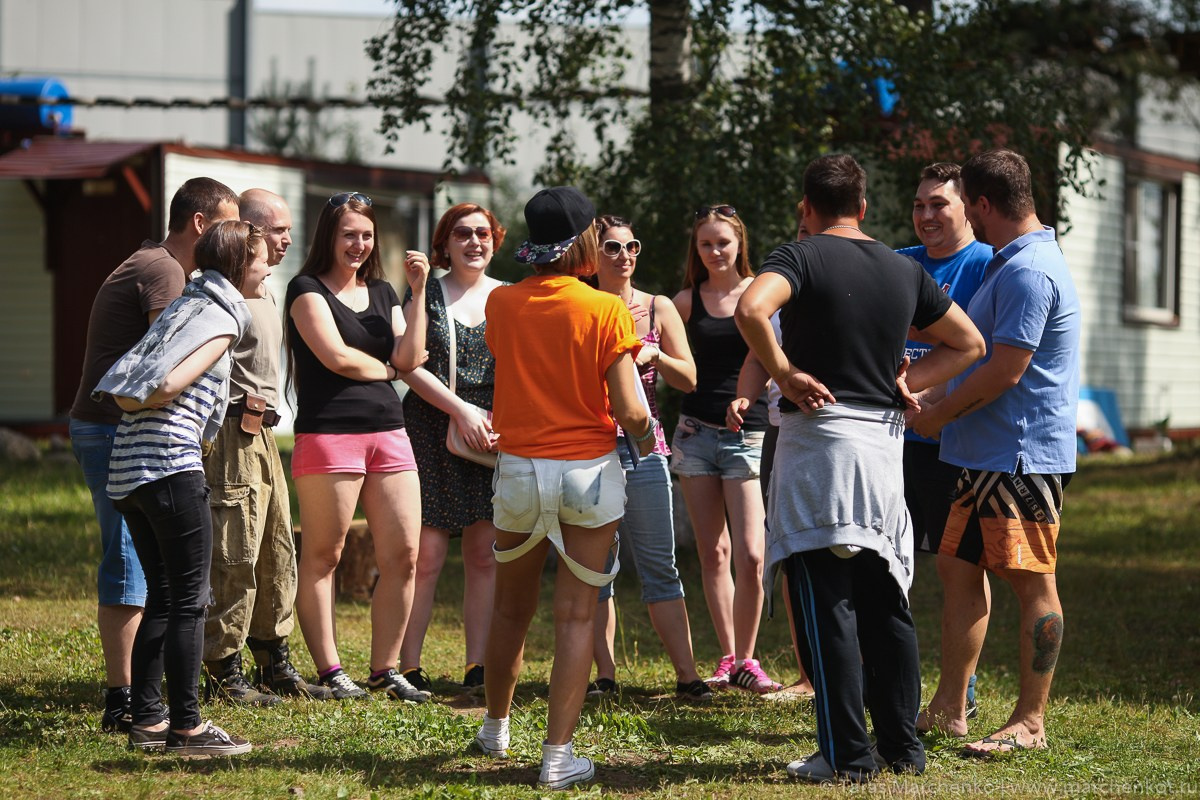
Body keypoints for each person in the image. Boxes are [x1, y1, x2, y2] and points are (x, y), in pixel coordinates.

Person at [735, 153, 984, 782]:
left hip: (821, 446)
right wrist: (912, 379)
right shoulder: (902, 268)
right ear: (865, 207)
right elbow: (970, 343)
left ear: (807, 209)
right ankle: (903, 747)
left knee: (825, 601)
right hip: (883, 449)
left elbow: (750, 309)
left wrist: (786, 372)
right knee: (885, 600)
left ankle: (845, 756)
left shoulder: (800, 256)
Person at [473, 187, 655, 790]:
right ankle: (557, 757)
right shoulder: (605, 309)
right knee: (577, 617)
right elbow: (630, 409)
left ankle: (495, 728)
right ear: (583, 242)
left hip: (520, 468)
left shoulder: (501, 302)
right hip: (587, 470)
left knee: (508, 606)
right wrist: (648, 433)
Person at [911, 149, 1081, 757]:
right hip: (980, 454)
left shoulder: (1029, 269)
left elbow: (1006, 371)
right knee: (958, 572)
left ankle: (1030, 723)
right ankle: (951, 708)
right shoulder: (1009, 264)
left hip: (1019, 456)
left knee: (1032, 582)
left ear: (982, 205)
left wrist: (935, 415)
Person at [68, 177, 239, 734]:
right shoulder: (169, 273)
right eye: (229, 225)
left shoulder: (157, 265)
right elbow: (168, 365)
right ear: (201, 225)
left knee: (151, 576)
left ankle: (141, 704)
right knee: (133, 567)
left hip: (122, 428)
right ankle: (125, 702)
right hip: (124, 432)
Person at [95, 219, 271, 756]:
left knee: (164, 597)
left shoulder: (186, 303)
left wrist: (134, 400)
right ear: (241, 265)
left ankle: (148, 720)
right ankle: (189, 727)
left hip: (129, 470)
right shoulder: (219, 317)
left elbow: (133, 376)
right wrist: (148, 397)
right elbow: (168, 381)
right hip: (169, 465)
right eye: (263, 259)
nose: (269, 267)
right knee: (191, 599)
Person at [285, 191, 430, 703]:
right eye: (349, 234)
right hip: (329, 435)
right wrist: (389, 369)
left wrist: (417, 294)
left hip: (389, 433)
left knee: (405, 556)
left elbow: (411, 357)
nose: (359, 245)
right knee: (325, 555)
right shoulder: (305, 290)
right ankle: (330, 671)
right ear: (329, 235)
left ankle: (384, 670)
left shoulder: (386, 292)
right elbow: (338, 359)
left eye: (366, 236)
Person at [201, 189, 332, 705]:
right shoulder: (220, 298)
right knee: (233, 549)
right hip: (231, 434)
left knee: (276, 548)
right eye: (276, 230)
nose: (287, 239)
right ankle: (222, 666)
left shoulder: (266, 291)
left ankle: (272, 657)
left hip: (265, 435)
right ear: (248, 232)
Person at [585, 214, 709, 701]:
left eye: (631, 246)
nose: (624, 256)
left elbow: (690, 378)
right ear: (593, 255)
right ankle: (605, 677)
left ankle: (688, 677)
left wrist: (654, 355)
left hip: (645, 448)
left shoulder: (658, 307)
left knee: (661, 565)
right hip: (590, 448)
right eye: (612, 248)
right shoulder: (583, 305)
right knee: (596, 569)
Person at [898, 162, 994, 721]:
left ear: (968, 207)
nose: (927, 215)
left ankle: (958, 694)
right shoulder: (901, 264)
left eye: (940, 204)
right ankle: (888, 685)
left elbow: (981, 348)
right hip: (896, 440)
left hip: (955, 442)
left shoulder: (986, 264)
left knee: (958, 569)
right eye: (919, 205)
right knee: (888, 564)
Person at [397, 203, 506, 696]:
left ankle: (477, 667)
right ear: (445, 242)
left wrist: (497, 421)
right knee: (428, 555)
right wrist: (460, 409)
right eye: (463, 234)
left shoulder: (508, 298)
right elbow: (408, 364)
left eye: (483, 233)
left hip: (491, 433)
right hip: (431, 426)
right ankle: (408, 665)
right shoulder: (426, 292)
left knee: (485, 555)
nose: (474, 242)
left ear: (495, 240)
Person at [671, 204, 780, 694]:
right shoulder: (685, 301)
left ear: (740, 244)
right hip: (694, 434)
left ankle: (749, 659)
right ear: (696, 250)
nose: (715, 251)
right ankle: (729, 657)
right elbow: (664, 364)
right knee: (713, 553)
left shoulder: (760, 295)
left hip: (746, 434)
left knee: (752, 554)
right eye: (705, 244)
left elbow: (776, 358)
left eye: (723, 242)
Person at [726, 200, 814, 699]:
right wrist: (745, 395)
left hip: (837, 432)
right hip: (783, 431)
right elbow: (758, 355)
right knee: (790, 554)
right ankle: (808, 675)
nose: (804, 239)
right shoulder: (779, 293)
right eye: (798, 230)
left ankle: (853, 672)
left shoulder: (845, 282)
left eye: (811, 229)